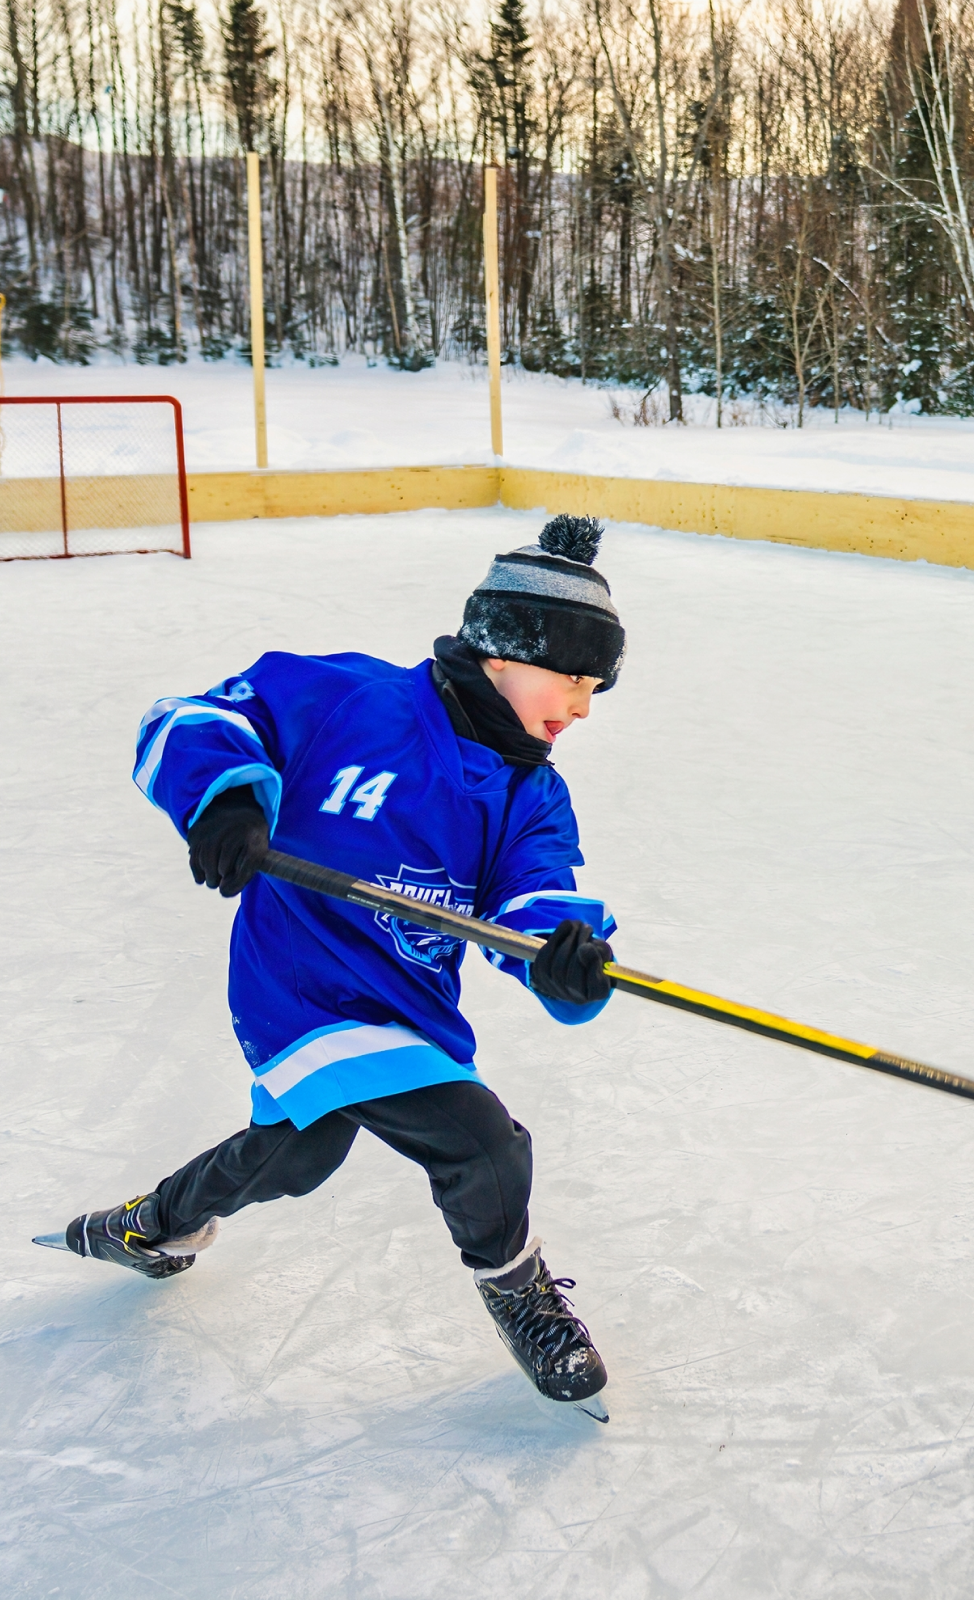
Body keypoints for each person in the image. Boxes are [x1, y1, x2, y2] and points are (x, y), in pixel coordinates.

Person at [37, 515, 629, 1419]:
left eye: (595, 689)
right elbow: (193, 719)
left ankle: (152, 1224)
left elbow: (533, 893)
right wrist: (227, 797)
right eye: (574, 679)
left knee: (296, 1156)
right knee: (481, 1144)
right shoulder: (356, 699)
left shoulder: (532, 792)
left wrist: (559, 955)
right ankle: (521, 1297)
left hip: (409, 1007)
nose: (582, 707)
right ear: (507, 651)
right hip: (300, 989)